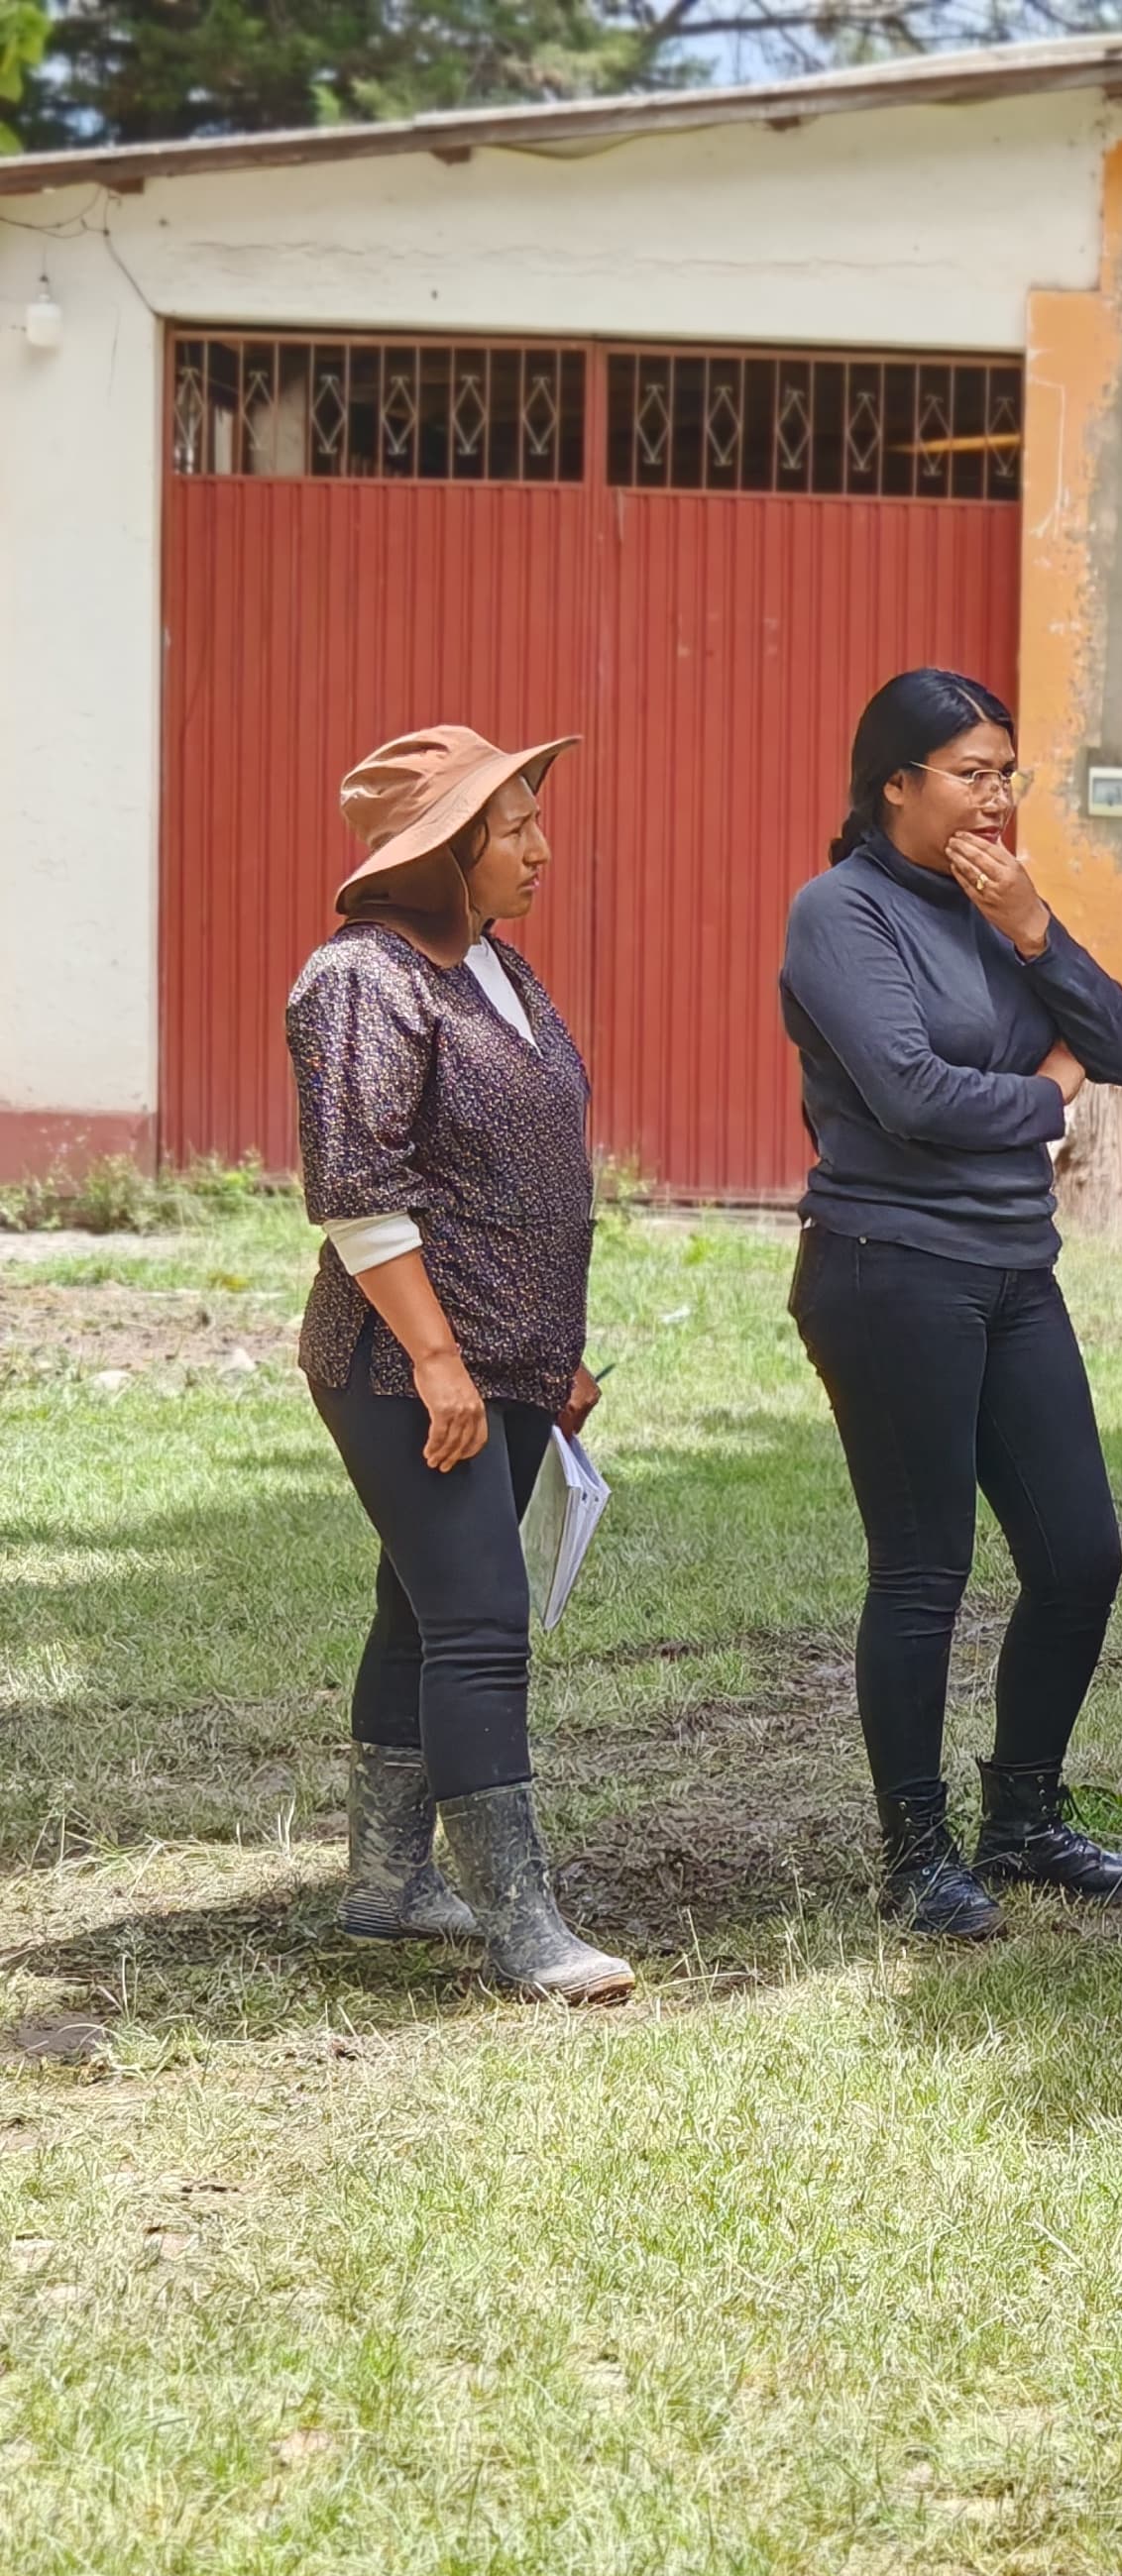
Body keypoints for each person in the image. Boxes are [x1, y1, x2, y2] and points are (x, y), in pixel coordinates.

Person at [780, 667, 1122, 1942]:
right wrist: (1053, 1098)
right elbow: (915, 1097)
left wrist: (1040, 934)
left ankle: (1023, 1820)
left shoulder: (999, 904)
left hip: (1011, 1266)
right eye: (971, 773)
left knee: (1080, 1558)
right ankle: (914, 1849)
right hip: (888, 1268)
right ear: (896, 784)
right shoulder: (841, 914)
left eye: (1009, 771)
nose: (997, 797)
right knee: (925, 1568)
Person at [290, 722, 629, 2003]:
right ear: (447, 848)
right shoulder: (360, 978)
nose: (542, 847)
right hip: (400, 1362)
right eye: (517, 825)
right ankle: (522, 1924)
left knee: (419, 1606)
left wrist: (555, 1356)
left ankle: (387, 1882)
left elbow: (525, 1172)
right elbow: (359, 1190)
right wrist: (439, 1361)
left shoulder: (497, 967)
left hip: (510, 1358)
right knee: (481, 1624)